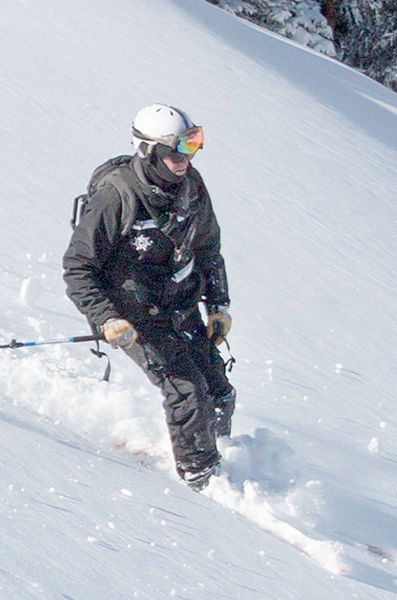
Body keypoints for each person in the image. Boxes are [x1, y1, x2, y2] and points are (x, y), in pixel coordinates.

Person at [63, 103, 235, 490]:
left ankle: (224, 459)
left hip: (179, 302)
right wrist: (108, 319)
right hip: (133, 315)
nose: (184, 159)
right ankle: (202, 482)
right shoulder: (117, 196)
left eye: (192, 145)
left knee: (220, 392)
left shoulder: (193, 187)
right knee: (187, 393)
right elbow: (78, 267)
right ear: (148, 150)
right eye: (175, 151)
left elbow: (208, 248)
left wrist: (219, 305)